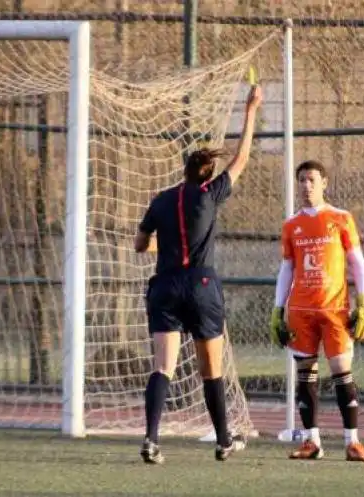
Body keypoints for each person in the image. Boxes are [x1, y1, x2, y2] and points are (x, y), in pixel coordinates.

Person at [134, 84, 263, 464]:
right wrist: (251, 108)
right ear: (207, 175)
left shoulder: (161, 199)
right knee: (211, 371)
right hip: (202, 286)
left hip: (166, 287)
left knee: (163, 367)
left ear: (184, 171)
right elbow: (241, 159)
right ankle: (224, 440)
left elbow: (140, 244)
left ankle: (151, 440)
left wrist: (167, 247)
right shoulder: (209, 195)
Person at [269, 160, 364, 463]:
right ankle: (311, 441)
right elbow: (286, 268)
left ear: (324, 183)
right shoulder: (291, 225)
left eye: (311, 180)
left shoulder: (341, 218)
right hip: (301, 311)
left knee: (342, 371)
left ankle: (352, 442)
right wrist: (278, 310)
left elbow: (357, 263)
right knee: (305, 375)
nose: (306, 186)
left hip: (335, 309)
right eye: (301, 180)